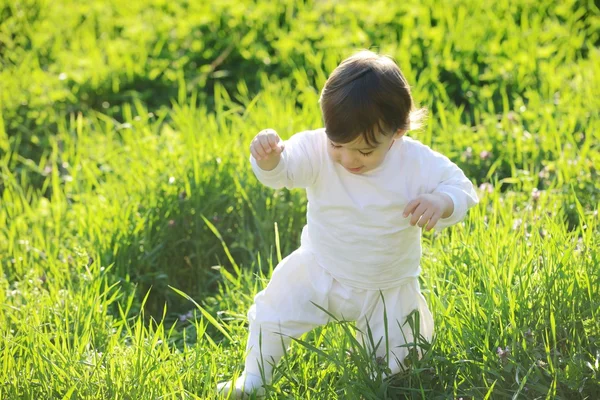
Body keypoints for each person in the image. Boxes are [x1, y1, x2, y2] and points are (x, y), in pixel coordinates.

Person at [217, 50, 479, 397]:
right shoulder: (318, 148)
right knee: (272, 313)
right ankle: (254, 380)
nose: (348, 159)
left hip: (386, 285)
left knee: (395, 360)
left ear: (398, 132)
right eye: (339, 145)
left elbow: (461, 188)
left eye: (365, 152)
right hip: (320, 267)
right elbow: (285, 172)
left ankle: (373, 382)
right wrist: (270, 161)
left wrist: (441, 202)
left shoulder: (415, 163)